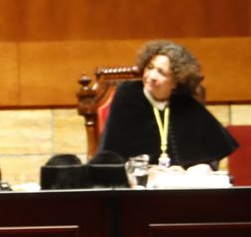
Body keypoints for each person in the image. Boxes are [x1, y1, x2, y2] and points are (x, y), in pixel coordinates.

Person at [97, 40, 237, 167]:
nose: (151, 76)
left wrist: (203, 167)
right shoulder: (127, 94)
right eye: (150, 67)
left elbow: (210, 152)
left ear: (176, 82)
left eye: (162, 73)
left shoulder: (184, 102)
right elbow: (111, 155)